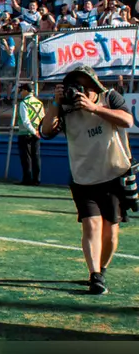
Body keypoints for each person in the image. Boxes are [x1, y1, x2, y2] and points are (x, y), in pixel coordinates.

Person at [40, 65, 134, 295]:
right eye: (74, 85)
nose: (78, 90)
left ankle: (101, 269)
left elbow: (127, 121)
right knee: (91, 225)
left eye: (82, 84)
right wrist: (55, 104)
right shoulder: (65, 107)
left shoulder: (109, 97)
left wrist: (94, 109)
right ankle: (94, 275)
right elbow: (45, 131)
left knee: (111, 231)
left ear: (93, 85)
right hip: (83, 176)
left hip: (112, 173)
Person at [16, 83, 44, 185]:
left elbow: (25, 121)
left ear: (25, 91)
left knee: (26, 157)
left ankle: (27, 179)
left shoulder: (24, 103)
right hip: (37, 132)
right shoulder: (39, 103)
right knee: (36, 156)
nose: (20, 93)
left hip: (25, 133)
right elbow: (42, 118)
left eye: (21, 91)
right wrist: (38, 131)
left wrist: (32, 131)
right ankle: (37, 179)